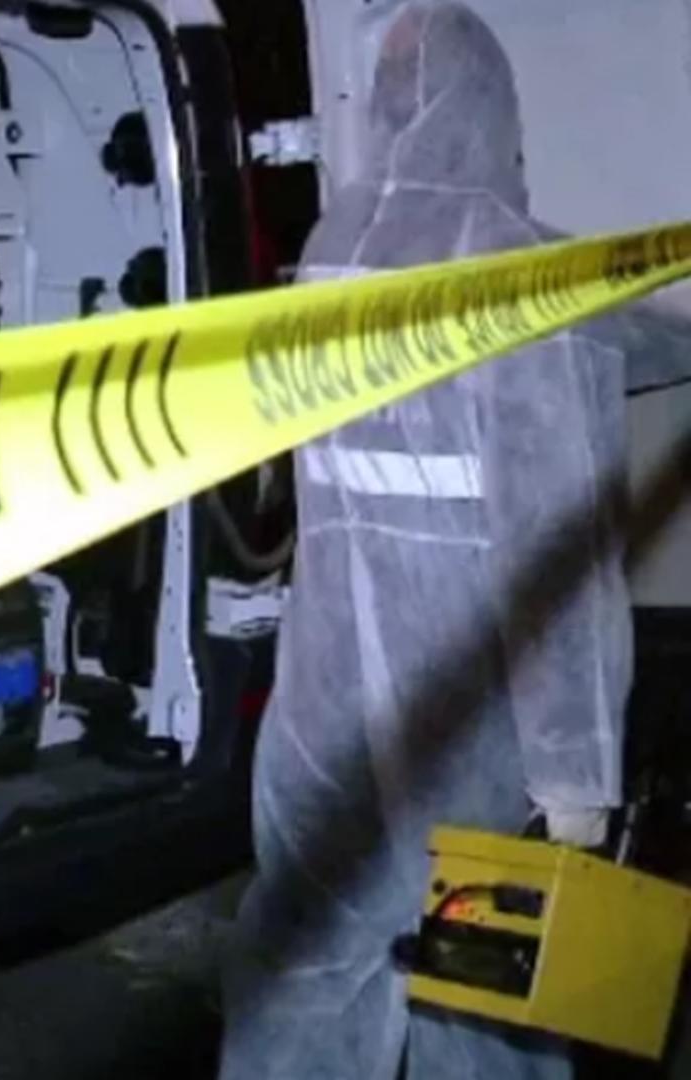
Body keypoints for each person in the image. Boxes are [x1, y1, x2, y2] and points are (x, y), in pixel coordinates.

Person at [220, 3, 691, 1077]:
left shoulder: (331, 252)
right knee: (482, 1002)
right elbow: (562, 557)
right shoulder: (518, 276)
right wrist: (575, 774)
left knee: (308, 983)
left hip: (323, 725)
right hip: (467, 729)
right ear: (496, 112)